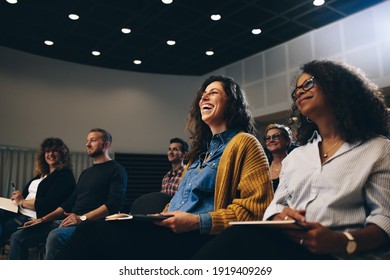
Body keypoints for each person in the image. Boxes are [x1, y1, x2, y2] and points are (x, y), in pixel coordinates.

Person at [58, 75, 274, 260]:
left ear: (232, 102)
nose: (204, 97)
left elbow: (256, 211)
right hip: (171, 230)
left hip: (199, 237)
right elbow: (178, 203)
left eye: (214, 92)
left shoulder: (245, 143)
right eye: (203, 94)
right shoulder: (198, 154)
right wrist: (151, 218)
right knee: (96, 230)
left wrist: (198, 222)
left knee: (91, 234)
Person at [193, 59, 390, 260]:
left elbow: (385, 219)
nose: (300, 93)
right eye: (296, 91)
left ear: (338, 86)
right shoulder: (297, 156)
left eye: (308, 84)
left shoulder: (378, 148)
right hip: (293, 247)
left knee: (239, 239)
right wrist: (281, 216)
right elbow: (275, 206)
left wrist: (340, 241)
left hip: (343, 256)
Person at [9, 128, 128, 259]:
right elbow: (69, 203)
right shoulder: (86, 173)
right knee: (18, 237)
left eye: (93, 140)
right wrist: (42, 220)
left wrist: (81, 218)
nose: (87, 144)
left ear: (106, 145)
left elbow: (114, 204)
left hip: (91, 224)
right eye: (87, 141)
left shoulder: (116, 170)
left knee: (56, 236)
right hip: (69, 221)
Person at [0, 138, 75, 252]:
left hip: (36, 217)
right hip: (20, 211)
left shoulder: (65, 176)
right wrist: (17, 198)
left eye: (55, 151)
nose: (50, 154)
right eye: (47, 151)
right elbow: (24, 197)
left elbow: (48, 204)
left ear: (62, 154)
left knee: (7, 229)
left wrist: (22, 202)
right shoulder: (40, 176)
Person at [263, 123, 294, 191]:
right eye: (268, 138)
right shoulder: (264, 167)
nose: (271, 140)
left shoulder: (296, 163)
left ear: (287, 141)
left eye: (276, 136)